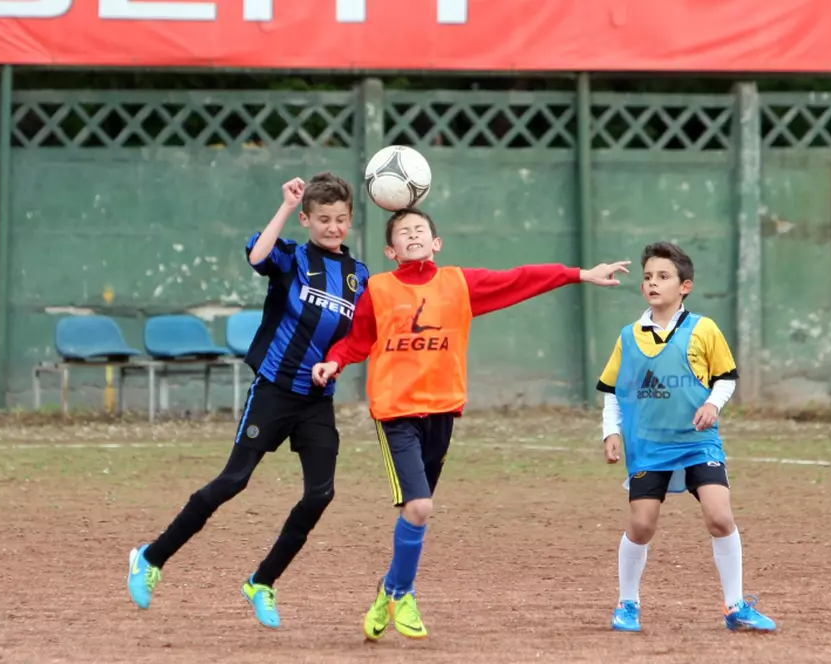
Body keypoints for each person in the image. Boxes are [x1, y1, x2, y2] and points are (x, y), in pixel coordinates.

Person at [309, 207, 630, 641]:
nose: (413, 235)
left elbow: (518, 280)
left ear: (436, 242)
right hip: (397, 412)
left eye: (420, 229)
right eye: (403, 232)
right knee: (420, 507)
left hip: (443, 411)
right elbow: (357, 341)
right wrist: (334, 362)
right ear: (391, 250)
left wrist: (579, 274)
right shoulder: (379, 290)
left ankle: (389, 587)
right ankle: (402, 592)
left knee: (415, 511)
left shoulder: (458, 284)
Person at [126, 173, 370, 630]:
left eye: (340, 219)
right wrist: (285, 206)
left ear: (351, 219)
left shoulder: (360, 277)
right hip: (274, 390)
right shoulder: (292, 256)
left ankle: (262, 582)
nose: (333, 227)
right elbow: (257, 256)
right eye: (323, 219)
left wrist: (335, 363)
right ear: (307, 219)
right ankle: (150, 558)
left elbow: (362, 334)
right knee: (233, 480)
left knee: (321, 493)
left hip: (317, 400)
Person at [598, 241, 776, 633]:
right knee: (642, 525)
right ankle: (627, 603)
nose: (653, 283)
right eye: (648, 277)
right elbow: (613, 391)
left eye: (663, 276)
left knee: (720, 517)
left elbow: (725, 378)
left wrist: (713, 404)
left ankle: (735, 606)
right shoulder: (629, 336)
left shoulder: (703, 329)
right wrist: (611, 431)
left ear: (685, 286)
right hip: (649, 446)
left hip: (698, 442)